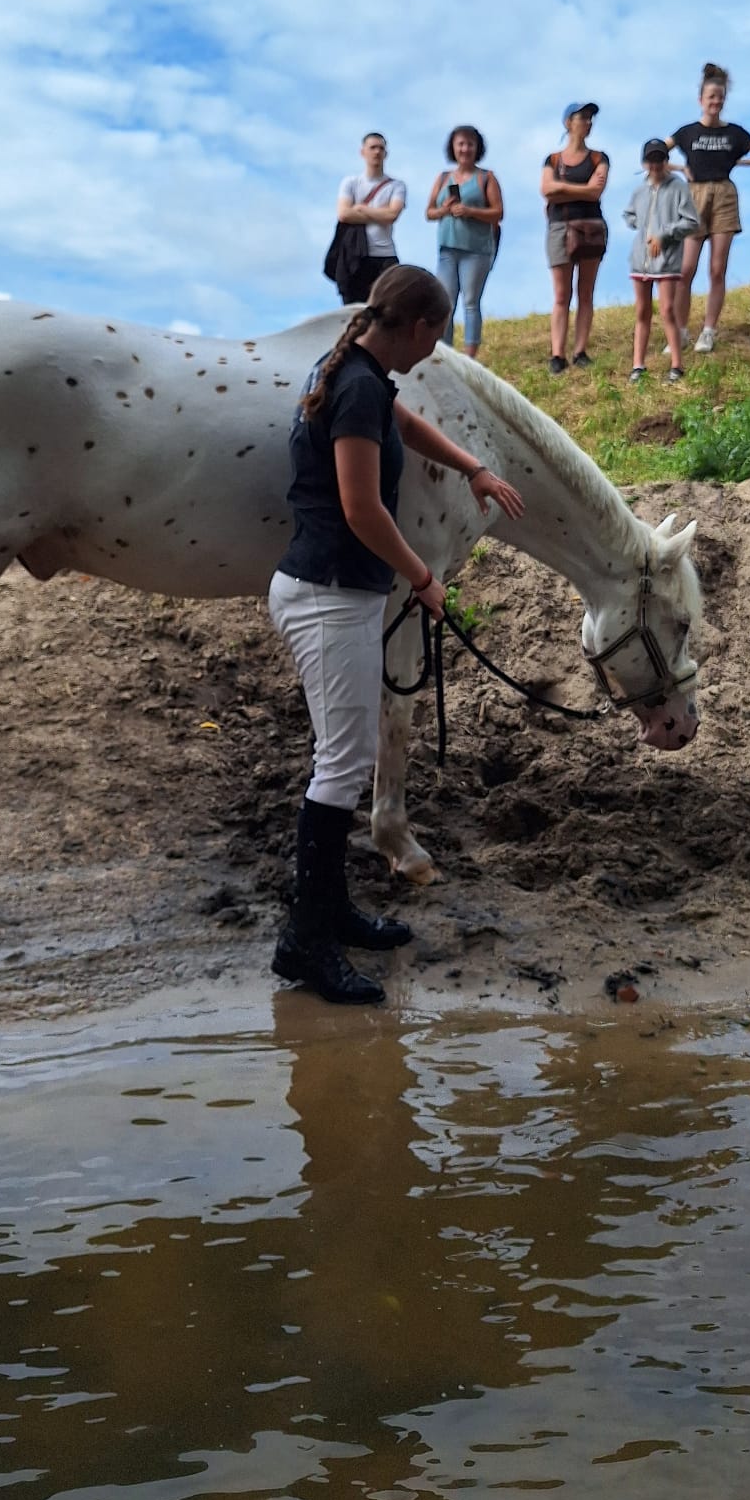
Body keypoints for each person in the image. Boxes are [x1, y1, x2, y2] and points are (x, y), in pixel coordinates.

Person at [268, 265, 525, 1005]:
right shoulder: (353, 383)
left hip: (335, 594)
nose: (432, 350)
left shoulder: (358, 371)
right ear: (415, 328)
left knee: (341, 762)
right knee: (340, 766)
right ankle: (305, 943)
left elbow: (401, 424)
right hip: (327, 597)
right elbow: (360, 507)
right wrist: (421, 576)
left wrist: (471, 465)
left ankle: (331, 914)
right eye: (435, 337)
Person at [670, 62, 750, 354]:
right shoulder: (687, 132)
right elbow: (654, 154)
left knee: (717, 269)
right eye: (710, 97)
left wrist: (742, 162)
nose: (715, 102)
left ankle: (708, 330)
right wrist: (680, 168)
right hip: (694, 196)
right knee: (685, 269)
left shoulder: (735, 133)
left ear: (724, 100)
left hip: (724, 195)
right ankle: (679, 332)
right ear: (700, 100)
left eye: (720, 98)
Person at [622, 139, 700, 386]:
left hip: (666, 260)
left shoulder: (678, 188)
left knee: (667, 309)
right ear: (645, 162)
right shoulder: (639, 190)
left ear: (667, 161)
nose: (655, 165)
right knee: (642, 311)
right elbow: (629, 214)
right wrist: (639, 227)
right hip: (640, 260)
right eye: (651, 160)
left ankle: (676, 364)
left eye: (660, 159)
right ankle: (638, 365)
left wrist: (665, 234)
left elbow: (691, 221)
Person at [541, 102, 609, 374]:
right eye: (583, 117)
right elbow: (546, 189)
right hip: (560, 227)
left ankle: (580, 351)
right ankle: (557, 354)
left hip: (590, 226)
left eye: (591, 118)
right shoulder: (553, 159)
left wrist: (563, 189)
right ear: (568, 122)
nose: (588, 122)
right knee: (561, 293)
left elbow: (596, 192)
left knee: (585, 292)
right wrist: (581, 188)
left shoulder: (599, 157)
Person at [427, 125, 503, 360]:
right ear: (453, 147)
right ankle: (446, 353)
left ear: (477, 147)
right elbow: (429, 212)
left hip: (476, 250)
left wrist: (470, 210)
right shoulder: (443, 178)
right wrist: (444, 210)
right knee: (445, 302)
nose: (465, 148)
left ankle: (470, 356)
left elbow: (498, 213)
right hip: (448, 248)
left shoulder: (486, 177)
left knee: (470, 301)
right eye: (460, 143)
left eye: (470, 144)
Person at [333, 133, 407, 305]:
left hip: (385, 256)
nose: (377, 152)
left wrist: (362, 209)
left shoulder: (396, 186)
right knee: (355, 312)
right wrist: (379, 213)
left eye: (381, 148)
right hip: (356, 256)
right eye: (373, 147)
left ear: (386, 154)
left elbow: (392, 215)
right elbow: (344, 214)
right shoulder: (350, 183)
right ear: (363, 152)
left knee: (389, 309)